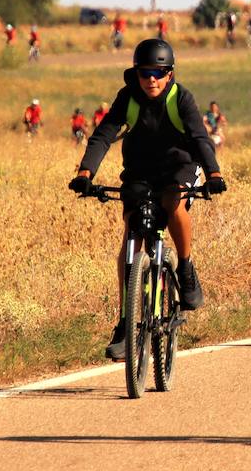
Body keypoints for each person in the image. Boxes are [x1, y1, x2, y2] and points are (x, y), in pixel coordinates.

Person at [69, 38, 227, 359]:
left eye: (158, 72)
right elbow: (103, 135)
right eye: (145, 73)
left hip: (180, 167)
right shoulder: (127, 98)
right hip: (140, 172)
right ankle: (126, 325)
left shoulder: (180, 98)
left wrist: (213, 175)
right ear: (136, 73)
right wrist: (86, 173)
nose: (151, 79)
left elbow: (199, 137)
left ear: (169, 74)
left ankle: (184, 267)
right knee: (131, 234)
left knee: (172, 204)